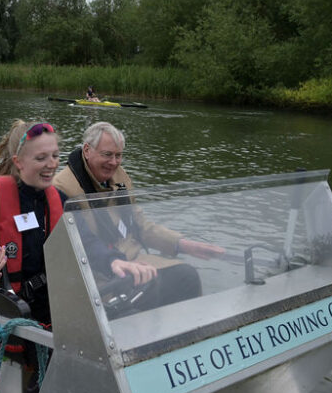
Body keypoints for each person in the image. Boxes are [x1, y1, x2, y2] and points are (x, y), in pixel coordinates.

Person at [0, 122, 158, 393]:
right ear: (18, 161)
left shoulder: (56, 199)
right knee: (69, 349)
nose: (50, 165)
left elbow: (86, 241)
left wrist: (115, 262)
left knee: (117, 325)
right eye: (41, 157)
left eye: (55, 157)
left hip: (51, 300)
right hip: (8, 305)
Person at [53, 121, 223, 300]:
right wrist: (115, 263)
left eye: (119, 155)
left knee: (186, 276)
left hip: (134, 257)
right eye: (107, 154)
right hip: (99, 271)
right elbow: (76, 248)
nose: (113, 162)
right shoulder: (63, 188)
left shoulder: (120, 176)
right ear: (87, 150)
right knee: (149, 291)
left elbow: (140, 224)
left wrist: (182, 244)